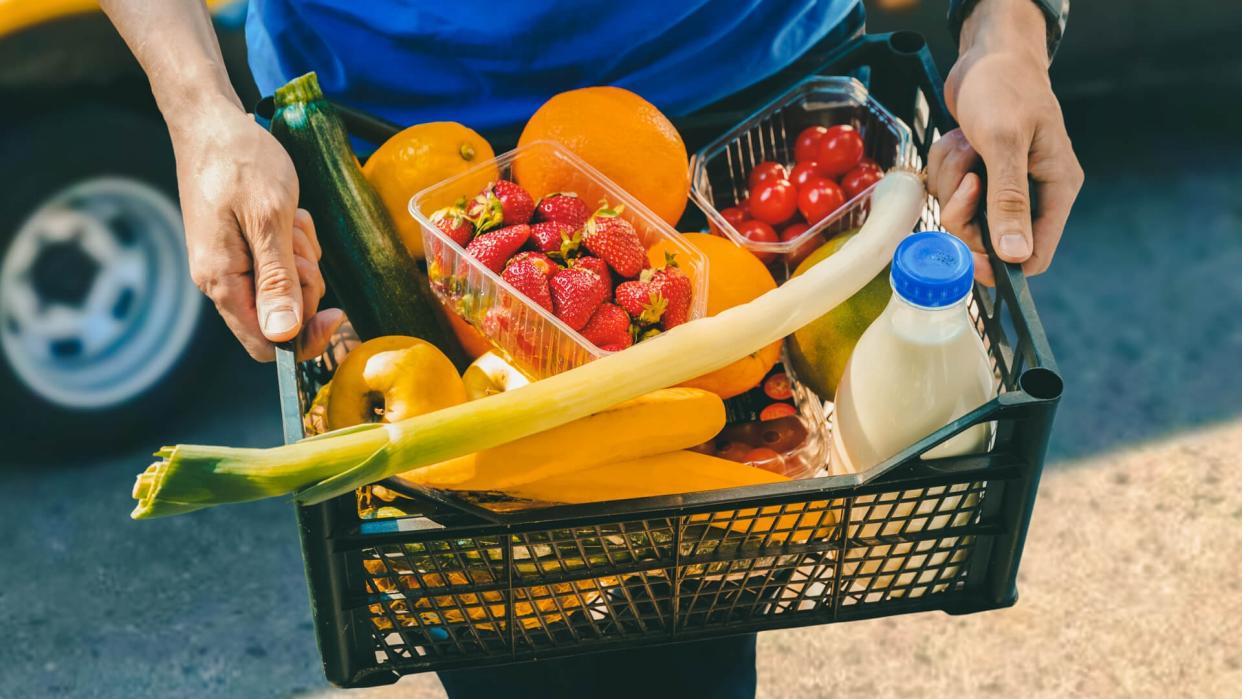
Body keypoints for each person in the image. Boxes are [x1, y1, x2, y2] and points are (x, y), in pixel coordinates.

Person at [100, 0, 1082, 696]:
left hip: (734, 106)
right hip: (389, 143)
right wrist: (199, 110)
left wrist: (1010, 29)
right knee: (502, 642)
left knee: (690, 632)